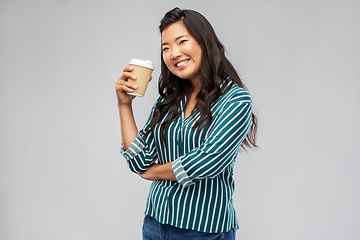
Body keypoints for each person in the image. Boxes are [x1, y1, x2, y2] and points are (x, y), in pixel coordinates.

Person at [115, 7, 257, 240]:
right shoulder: (170, 98)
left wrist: (153, 173)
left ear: (204, 42)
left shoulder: (235, 100)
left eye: (182, 41)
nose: (173, 53)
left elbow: (208, 161)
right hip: (155, 224)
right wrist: (124, 105)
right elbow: (140, 160)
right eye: (166, 47)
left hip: (202, 230)